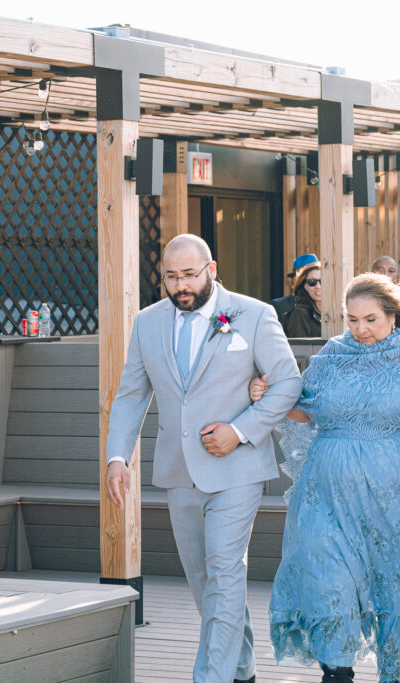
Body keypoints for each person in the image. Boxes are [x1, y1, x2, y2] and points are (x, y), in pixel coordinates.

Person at [104, 234, 301, 683]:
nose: (181, 286)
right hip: (178, 470)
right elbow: (132, 395)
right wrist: (118, 456)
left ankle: (211, 676)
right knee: (203, 580)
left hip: (238, 469)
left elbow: (288, 383)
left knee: (225, 571)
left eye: (190, 274)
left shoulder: (254, 315)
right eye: (171, 277)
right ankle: (243, 668)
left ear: (211, 269)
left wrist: (241, 430)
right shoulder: (147, 323)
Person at [250, 273, 400, 683]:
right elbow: (307, 409)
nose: (360, 329)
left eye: (371, 319)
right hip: (328, 493)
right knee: (327, 579)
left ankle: (395, 674)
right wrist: (265, 397)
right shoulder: (332, 355)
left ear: (394, 315)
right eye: (352, 319)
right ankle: (336, 672)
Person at [271, 253, 319, 323]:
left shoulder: (328, 307)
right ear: (295, 279)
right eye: (311, 280)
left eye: (319, 279)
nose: (317, 285)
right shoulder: (278, 306)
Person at [285, 260, 323, 338]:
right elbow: (300, 349)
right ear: (305, 286)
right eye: (312, 282)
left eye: (322, 281)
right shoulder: (299, 313)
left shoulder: (336, 312)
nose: (318, 286)